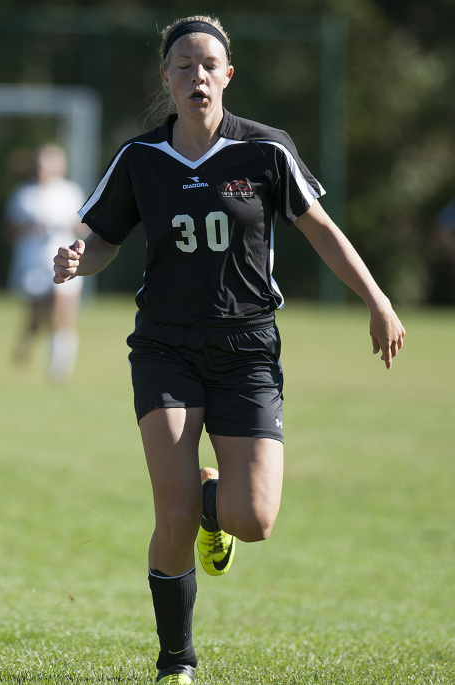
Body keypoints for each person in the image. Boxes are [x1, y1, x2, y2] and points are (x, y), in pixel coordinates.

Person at [52, 16, 405, 685]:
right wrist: (78, 259)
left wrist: (378, 300)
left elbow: (321, 228)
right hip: (165, 348)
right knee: (173, 510)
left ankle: (216, 497)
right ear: (166, 78)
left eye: (208, 64)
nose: (196, 76)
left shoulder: (265, 151)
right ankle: (175, 660)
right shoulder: (141, 159)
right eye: (182, 65)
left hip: (247, 349)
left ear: (228, 76)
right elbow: (99, 241)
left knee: (254, 519)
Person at [5, 143, 87, 384]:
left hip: (64, 261)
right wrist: (32, 227)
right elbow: (9, 232)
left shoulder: (71, 192)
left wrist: (70, 226)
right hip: (32, 263)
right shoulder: (23, 194)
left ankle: (58, 370)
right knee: (36, 318)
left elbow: (83, 226)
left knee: (62, 310)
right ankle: (26, 344)